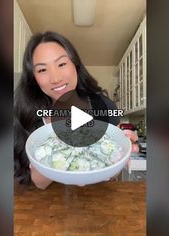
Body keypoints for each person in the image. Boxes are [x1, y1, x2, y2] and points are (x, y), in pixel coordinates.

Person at [14, 31, 138, 190]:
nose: (56, 78)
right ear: (34, 78)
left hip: (99, 205)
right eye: (42, 70)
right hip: (47, 209)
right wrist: (52, 158)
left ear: (75, 65)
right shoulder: (28, 116)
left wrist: (120, 150)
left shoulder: (104, 107)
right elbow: (38, 183)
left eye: (61, 64)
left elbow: (112, 174)